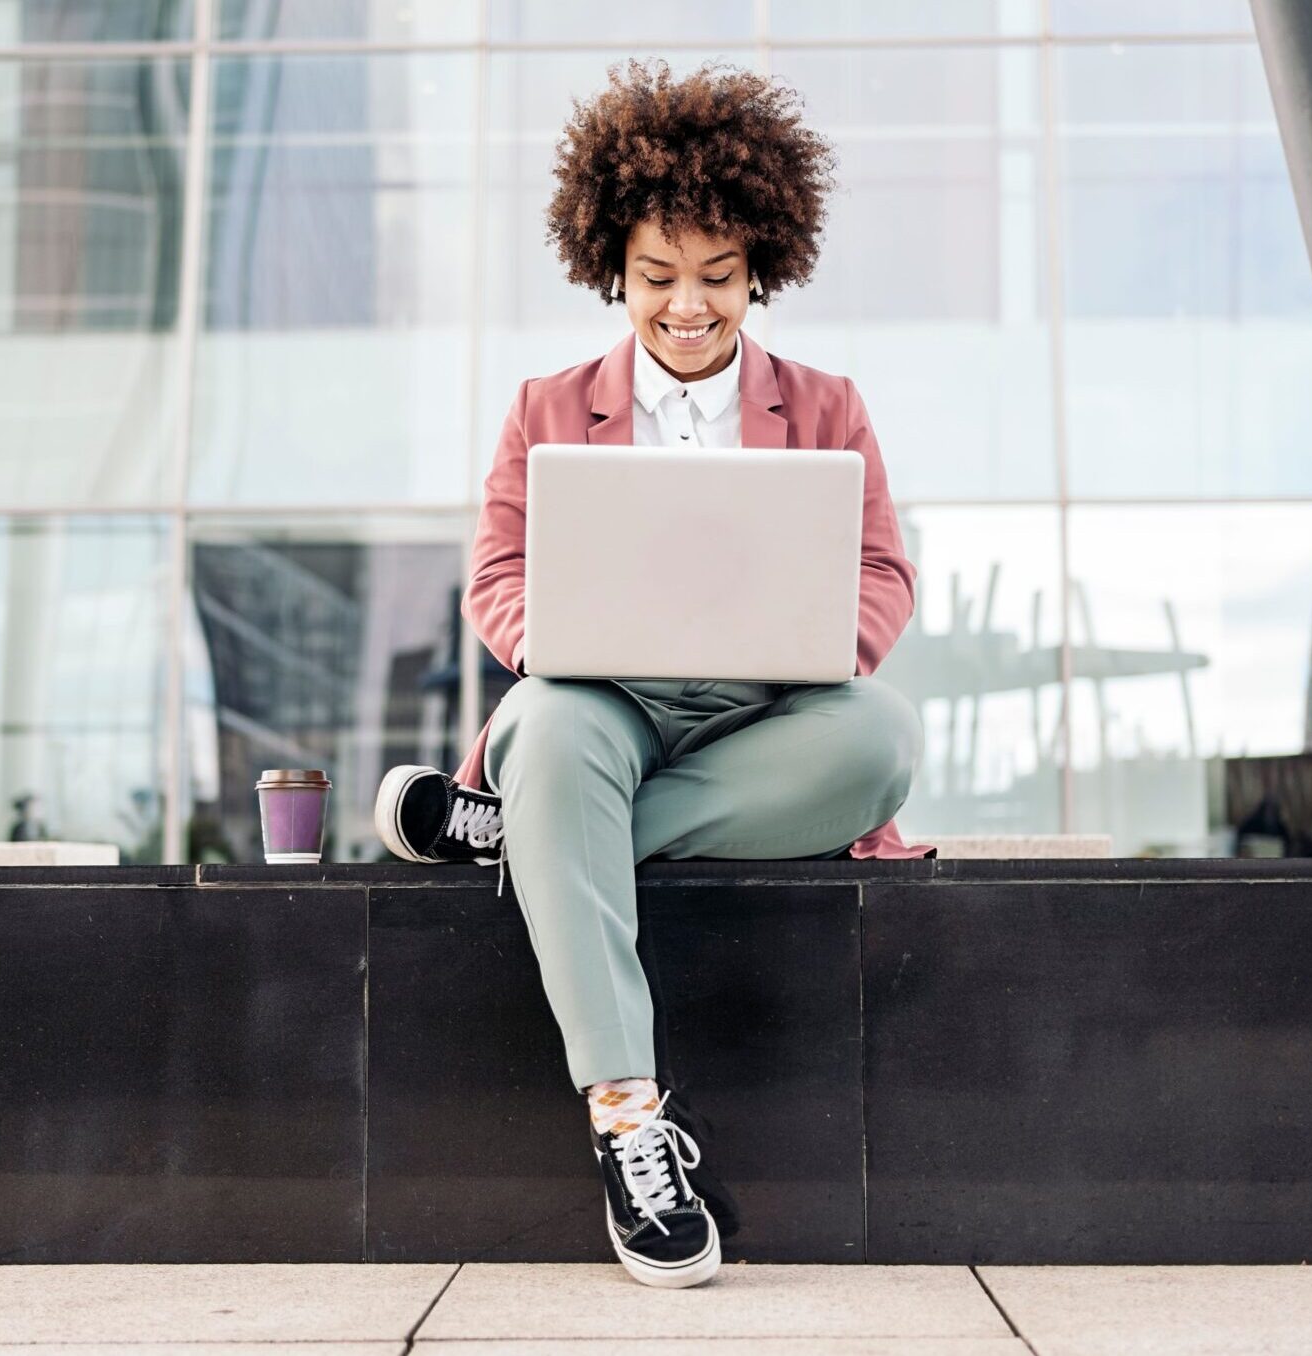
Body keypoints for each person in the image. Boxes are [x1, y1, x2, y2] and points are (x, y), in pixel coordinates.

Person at [370, 60, 929, 1289]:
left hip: (766, 718)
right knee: (552, 729)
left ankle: (514, 835)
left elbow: (881, 571)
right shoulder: (547, 406)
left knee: (880, 737)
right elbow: (497, 576)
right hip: (598, 702)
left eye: (717, 279)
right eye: (659, 278)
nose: (688, 307)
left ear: (759, 272)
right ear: (611, 268)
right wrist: (551, 637)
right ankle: (630, 1123)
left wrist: (815, 643)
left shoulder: (827, 406)